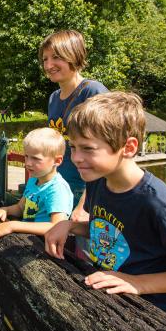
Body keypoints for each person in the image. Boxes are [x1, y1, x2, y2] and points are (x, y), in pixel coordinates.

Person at [44, 92, 166, 325]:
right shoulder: (97, 181)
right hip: (116, 305)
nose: (76, 158)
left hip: (157, 320)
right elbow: (110, 229)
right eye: (72, 147)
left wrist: (140, 283)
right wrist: (71, 226)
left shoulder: (160, 204)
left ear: (129, 147)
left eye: (88, 148)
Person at [41, 30, 108, 257]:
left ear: (73, 55)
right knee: (61, 255)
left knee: (91, 259)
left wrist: (83, 205)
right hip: (62, 189)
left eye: (56, 57)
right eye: (45, 59)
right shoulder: (53, 98)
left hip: (89, 193)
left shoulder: (92, 92)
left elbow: (104, 153)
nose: (49, 64)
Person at [0, 128, 73, 242]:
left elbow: (57, 226)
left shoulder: (57, 189)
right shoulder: (33, 180)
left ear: (57, 161)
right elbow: (21, 208)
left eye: (36, 158)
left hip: (44, 247)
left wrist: (13, 225)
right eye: (26, 156)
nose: (28, 163)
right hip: (28, 241)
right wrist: (5, 210)